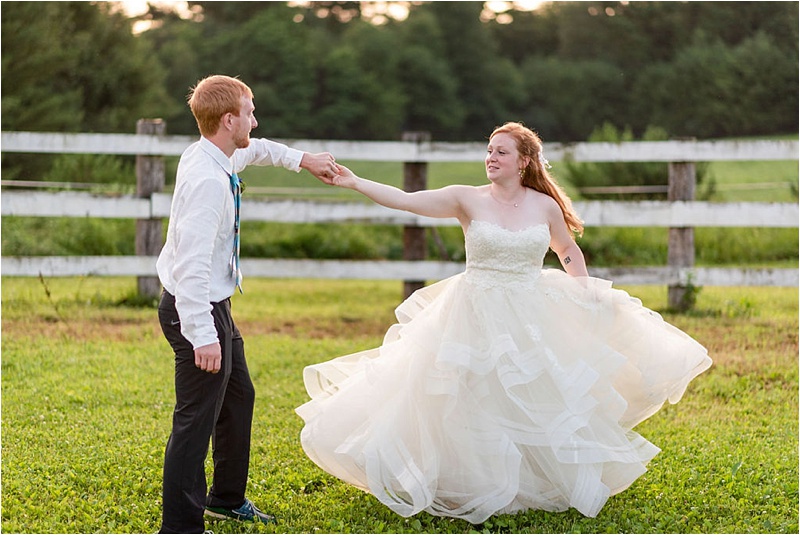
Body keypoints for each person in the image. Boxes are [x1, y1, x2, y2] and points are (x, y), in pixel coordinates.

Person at [295, 121, 712, 524]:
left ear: (524, 161)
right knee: (467, 394)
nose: (491, 158)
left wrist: (585, 292)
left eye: (501, 151)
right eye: (489, 150)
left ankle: (532, 479)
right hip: (472, 308)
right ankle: (463, 479)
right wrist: (356, 182)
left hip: (532, 310)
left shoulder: (544, 206)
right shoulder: (467, 199)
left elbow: (566, 249)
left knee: (534, 393)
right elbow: (406, 199)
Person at [155, 74, 337, 534]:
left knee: (239, 398)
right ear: (229, 119)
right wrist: (202, 335)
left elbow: (256, 150)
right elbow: (190, 270)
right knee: (195, 421)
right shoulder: (207, 182)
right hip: (192, 306)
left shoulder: (214, 154)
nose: (255, 121)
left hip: (214, 303)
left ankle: (226, 500)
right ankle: (180, 526)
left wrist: (303, 160)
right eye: (250, 113)